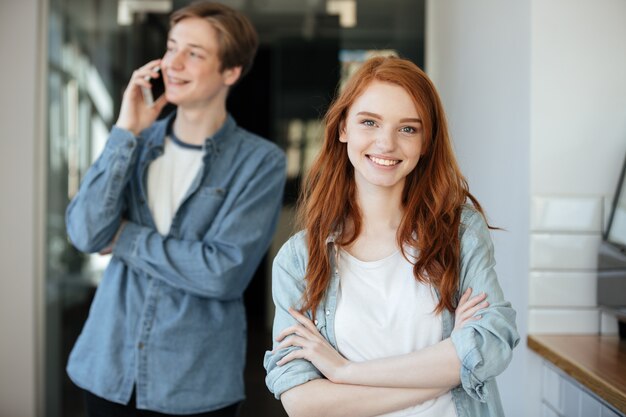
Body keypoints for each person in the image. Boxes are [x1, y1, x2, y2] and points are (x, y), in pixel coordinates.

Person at [264, 56, 519, 417]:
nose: (386, 143)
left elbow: (491, 346)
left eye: (408, 129)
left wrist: (344, 371)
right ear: (343, 128)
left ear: (426, 141)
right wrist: (450, 368)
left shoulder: (459, 231)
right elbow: (302, 401)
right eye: (369, 122)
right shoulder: (299, 259)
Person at [65, 2, 286, 416]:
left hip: (194, 384)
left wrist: (125, 238)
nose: (173, 63)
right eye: (171, 48)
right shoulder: (136, 144)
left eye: (194, 53)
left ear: (231, 72)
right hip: (105, 371)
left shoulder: (260, 162)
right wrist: (125, 131)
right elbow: (84, 232)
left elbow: (223, 273)